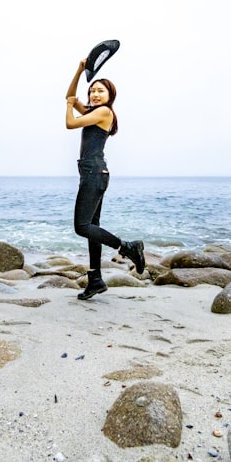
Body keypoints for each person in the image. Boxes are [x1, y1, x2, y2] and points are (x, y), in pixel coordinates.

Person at [65, 57, 146, 300]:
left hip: (93, 174)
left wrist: (70, 106)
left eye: (100, 90)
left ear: (110, 95)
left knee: (82, 227)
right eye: (92, 90)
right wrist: (79, 71)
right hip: (94, 173)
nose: (95, 93)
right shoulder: (94, 110)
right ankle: (96, 280)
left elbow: (70, 123)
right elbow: (69, 95)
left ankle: (127, 247)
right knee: (93, 230)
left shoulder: (103, 112)